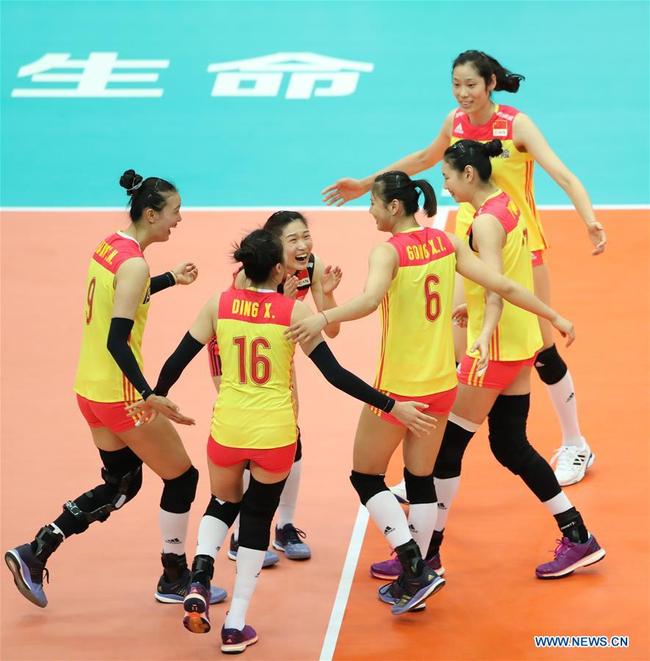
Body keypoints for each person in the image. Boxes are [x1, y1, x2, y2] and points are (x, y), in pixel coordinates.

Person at [287, 170, 578, 612]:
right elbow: (505, 284)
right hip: (444, 385)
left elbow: (367, 302)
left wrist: (321, 317)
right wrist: (553, 316)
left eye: (374, 204)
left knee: (365, 476)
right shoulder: (446, 243)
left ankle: (414, 567)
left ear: (394, 207)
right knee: (421, 479)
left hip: (399, 387)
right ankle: (416, 576)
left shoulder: (387, 251)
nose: (370, 210)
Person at [130, 228, 433, 651]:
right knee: (256, 519)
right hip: (275, 434)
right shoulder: (291, 312)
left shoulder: (218, 305)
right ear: (277, 268)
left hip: (227, 430)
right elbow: (336, 375)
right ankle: (235, 625)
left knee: (221, 503)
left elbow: (175, 360)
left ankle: (199, 576)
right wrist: (390, 404)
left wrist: (154, 397)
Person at [321, 50, 607, 486]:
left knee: (541, 352)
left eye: (471, 84)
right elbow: (421, 159)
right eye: (456, 84)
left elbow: (563, 175)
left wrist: (589, 220)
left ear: (491, 83)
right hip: (466, 253)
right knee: (454, 351)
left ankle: (575, 443)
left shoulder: (516, 125)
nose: (463, 93)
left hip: (521, 249)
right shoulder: (454, 122)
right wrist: (365, 183)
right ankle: (425, 465)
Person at [372, 142, 605, 586]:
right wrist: (474, 307)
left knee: (444, 450)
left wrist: (481, 331)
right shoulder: (506, 204)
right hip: (519, 342)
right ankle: (577, 534)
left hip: (494, 350)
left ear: (469, 176)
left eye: (448, 174)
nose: (442, 182)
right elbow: (506, 276)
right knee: (510, 445)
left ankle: (425, 556)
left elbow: (496, 285)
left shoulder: (485, 221)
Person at [4, 169, 226, 609]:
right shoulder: (135, 263)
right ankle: (175, 576)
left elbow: (122, 295)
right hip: (120, 394)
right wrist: (148, 393)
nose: (179, 219)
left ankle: (37, 550)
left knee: (122, 482)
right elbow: (116, 339)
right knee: (183, 479)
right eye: (174, 212)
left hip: (89, 389)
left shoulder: (112, 245)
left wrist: (169, 280)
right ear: (150, 213)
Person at [208, 211, 342, 564]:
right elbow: (231, 331)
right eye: (293, 240)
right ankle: (242, 534)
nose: (303, 246)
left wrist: (326, 297)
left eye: (305, 236)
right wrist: (277, 299)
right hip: (237, 356)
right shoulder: (247, 275)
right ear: (273, 246)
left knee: (288, 437)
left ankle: (285, 526)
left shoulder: (312, 267)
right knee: (253, 438)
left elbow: (331, 329)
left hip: (279, 351)